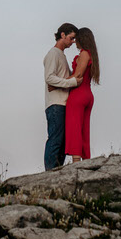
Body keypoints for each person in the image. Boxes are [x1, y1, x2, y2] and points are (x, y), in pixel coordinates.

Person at [43, 23, 81, 170]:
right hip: (55, 104)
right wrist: (71, 82)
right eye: (71, 38)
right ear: (63, 35)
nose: (73, 42)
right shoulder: (53, 53)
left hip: (62, 103)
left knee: (63, 141)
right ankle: (50, 173)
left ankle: (57, 171)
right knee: (56, 139)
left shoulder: (61, 55)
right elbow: (49, 78)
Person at [64, 27, 100, 162]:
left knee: (75, 128)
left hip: (78, 95)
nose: (74, 42)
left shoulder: (84, 54)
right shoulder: (92, 55)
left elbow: (78, 75)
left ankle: (76, 163)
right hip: (88, 94)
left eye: (76, 38)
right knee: (84, 129)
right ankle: (85, 160)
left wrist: (58, 82)